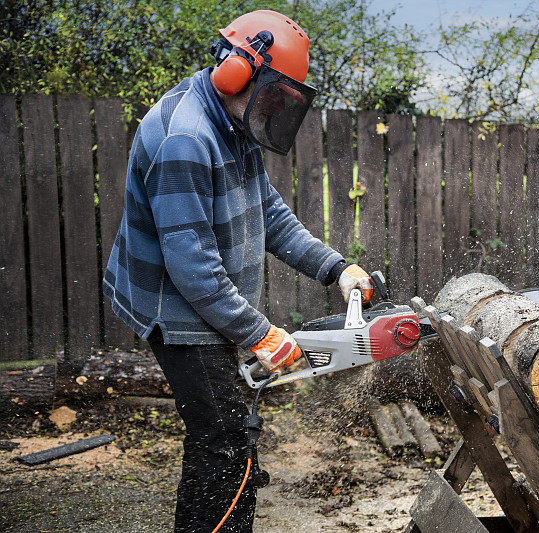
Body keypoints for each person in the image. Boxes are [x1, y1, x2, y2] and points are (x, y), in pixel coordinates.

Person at [102, 10, 373, 532]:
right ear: (237, 70)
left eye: (284, 99)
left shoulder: (232, 123)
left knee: (228, 435)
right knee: (225, 441)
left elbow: (267, 213)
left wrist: (334, 268)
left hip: (208, 301)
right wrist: (258, 333)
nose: (274, 107)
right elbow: (193, 268)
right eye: (272, 93)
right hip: (178, 308)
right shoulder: (186, 138)